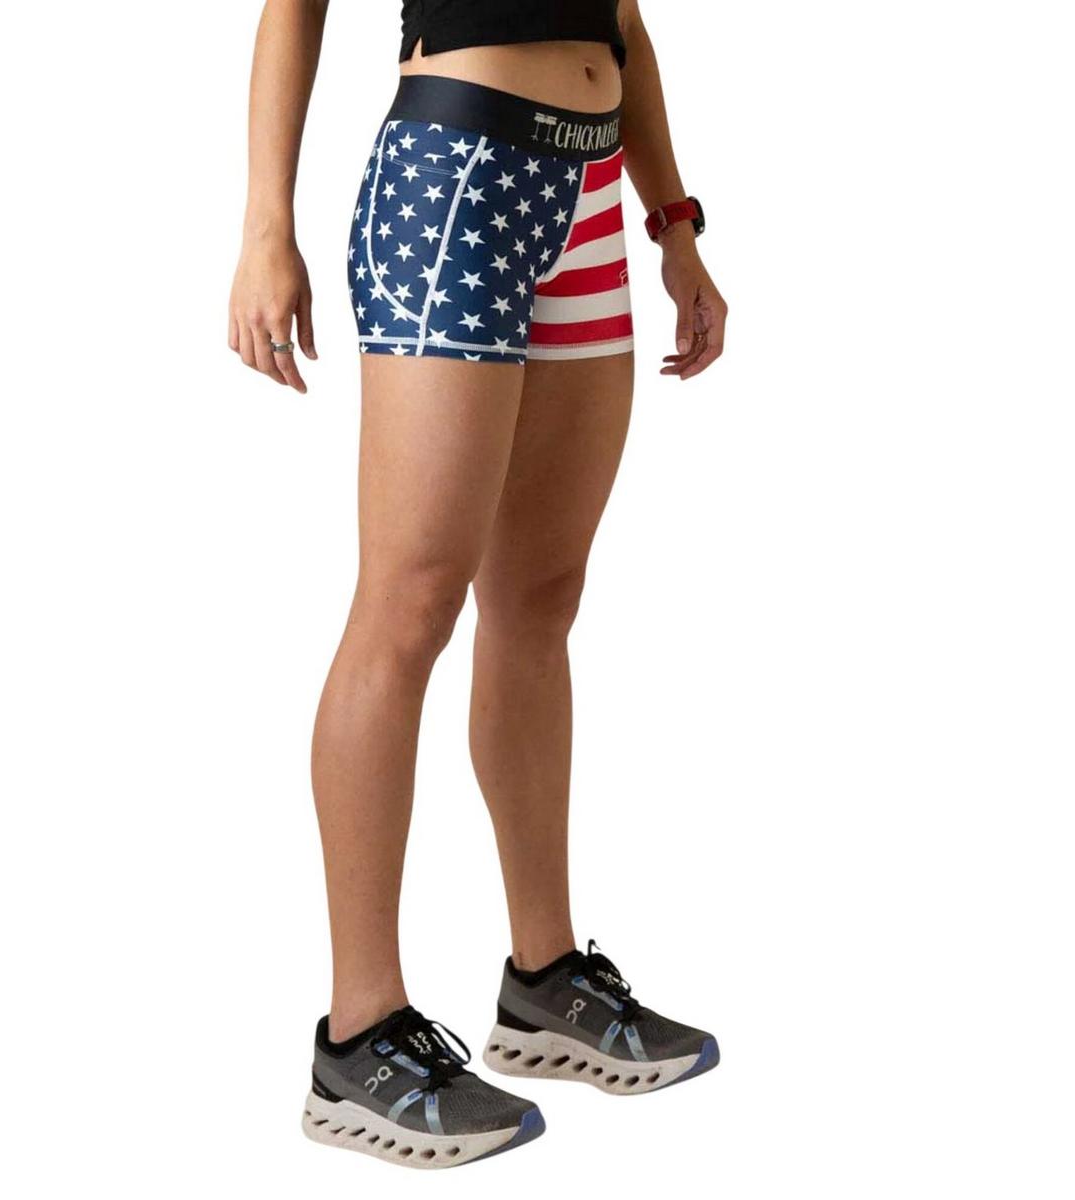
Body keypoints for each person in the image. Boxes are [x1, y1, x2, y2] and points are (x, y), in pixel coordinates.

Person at [229, 0, 727, 1168]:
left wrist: (674, 226)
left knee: (541, 600)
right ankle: (359, 1037)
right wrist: (265, 227)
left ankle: (544, 980)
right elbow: (292, 8)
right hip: (454, 181)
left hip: (588, 199)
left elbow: (623, 20)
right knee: (408, 607)